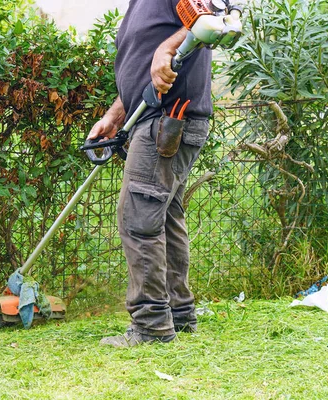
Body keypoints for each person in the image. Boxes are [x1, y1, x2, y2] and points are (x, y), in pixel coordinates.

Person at [89, 0, 212, 347]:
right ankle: (178, 314)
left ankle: (151, 326)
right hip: (152, 116)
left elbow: (214, 17)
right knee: (164, 215)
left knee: (138, 218)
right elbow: (143, 67)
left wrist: (167, 46)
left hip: (169, 119)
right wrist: (116, 114)